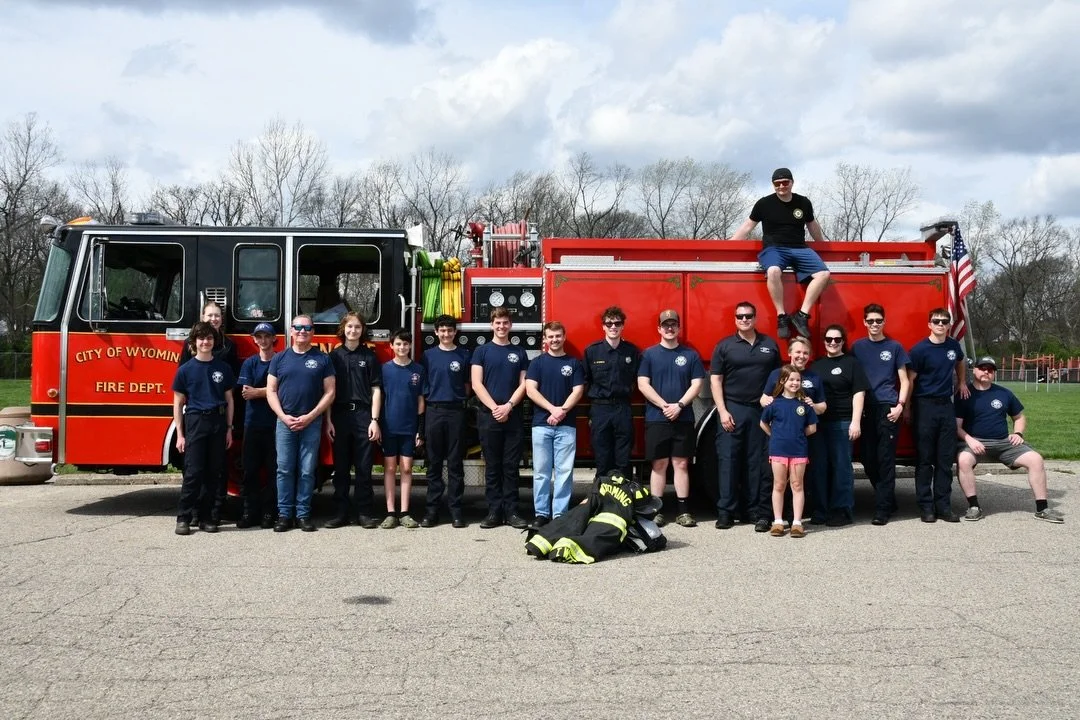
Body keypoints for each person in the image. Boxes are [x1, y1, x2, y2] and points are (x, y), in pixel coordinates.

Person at [955, 356, 1064, 523]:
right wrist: (970, 440)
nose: (986, 372)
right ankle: (974, 506)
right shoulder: (964, 394)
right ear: (974, 370)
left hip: (1004, 443)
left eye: (990, 370)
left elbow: (1019, 417)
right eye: (982, 368)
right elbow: (957, 427)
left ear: (994, 374)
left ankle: (1042, 508)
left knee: (1036, 459)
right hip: (975, 443)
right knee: (963, 460)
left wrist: (1018, 433)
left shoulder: (1004, 393)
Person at [730, 167, 829, 340]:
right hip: (774, 248)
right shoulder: (764, 203)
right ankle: (782, 316)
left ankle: (802, 315)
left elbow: (812, 225)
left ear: (792, 182)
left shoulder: (803, 203)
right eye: (777, 183)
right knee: (773, 271)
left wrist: (823, 245)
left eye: (785, 182)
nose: (781, 186)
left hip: (800, 248)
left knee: (823, 274)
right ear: (773, 185)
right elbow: (748, 226)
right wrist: (728, 246)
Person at [710, 301, 781, 532]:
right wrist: (722, 410)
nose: (744, 320)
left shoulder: (769, 345)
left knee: (756, 464)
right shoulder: (725, 346)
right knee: (728, 461)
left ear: (755, 317)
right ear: (735, 319)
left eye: (748, 316)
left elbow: (779, 378)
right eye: (740, 316)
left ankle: (753, 510)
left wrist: (773, 407)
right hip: (733, 409)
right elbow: (716, 380)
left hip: (760, 412)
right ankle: (726, 512)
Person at [266, 314, 336, 533]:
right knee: (284, 469)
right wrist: (283, 416)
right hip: (284, 422)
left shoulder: (323, 359)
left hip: (311, 423)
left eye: (307, 328)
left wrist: (311, 416)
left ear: (313, 332)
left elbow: (330, 392)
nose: (302, 331)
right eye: (298, 327)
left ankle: (303, 515)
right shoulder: (279, 358)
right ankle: (284, 515)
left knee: (307, 471)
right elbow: (270, 391)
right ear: (291, 331)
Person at [637, 309, 706, 528]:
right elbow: (642, 384)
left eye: (673, 324)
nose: (669, 328)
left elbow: (697, 384)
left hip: (683, 417)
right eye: (665, 325)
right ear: (659, 328)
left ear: (679, 328)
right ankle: (656, 511)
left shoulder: (690, 355)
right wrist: (664, 405)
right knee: (659, 464)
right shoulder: (649, 355)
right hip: (657, 417)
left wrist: (679, 405)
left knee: (681, 463)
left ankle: (683, 511)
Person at [178, 300, 239, 524]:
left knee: (217, 469)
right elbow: (182, 386)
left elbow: (231, 385)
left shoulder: (229, 346)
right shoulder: (188, 347)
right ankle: (192, 513)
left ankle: (214, 512)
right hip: (195, 415)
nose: (214, 318)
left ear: (222, 320)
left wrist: (230, 425)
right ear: (202, 317)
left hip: (219, 413)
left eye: (217, 315)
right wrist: (180, 430)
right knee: (194, 469)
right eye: (210, 315)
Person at [850, 304, 911, 526]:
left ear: (884, 322)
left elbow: (904, 380)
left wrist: (900, 405)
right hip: (865, 408)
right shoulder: (857, 347)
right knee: (867, 458)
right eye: (870, 321)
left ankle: (883, 508)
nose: (874, 324)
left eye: (878, 320)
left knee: (886, 459)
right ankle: (889, 498)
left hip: (887, 408)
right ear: (865, 323)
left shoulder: (894, 347)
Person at [471, 307, 530, 529]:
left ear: (510, 325)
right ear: (491, 325)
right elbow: (477, 383)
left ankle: (513, 512)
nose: (502, 326)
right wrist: (496, 408)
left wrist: (508, 406)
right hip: (488, 416)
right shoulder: (481, 351)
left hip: (512, 416)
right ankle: (494, 512)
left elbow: (524, 383)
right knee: (493, 466)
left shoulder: (519, 352)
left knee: (511, 466)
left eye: (505, 323)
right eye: (498, 323)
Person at [907, 308, 968, 523]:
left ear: (949, 324)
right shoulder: (919, 350)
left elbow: (960, 361)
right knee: (925, 460)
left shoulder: (953, 346)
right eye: (936, 321)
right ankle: (926, 507)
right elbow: (910, 380)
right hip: (924, 406)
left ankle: (943, 506)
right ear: (929, 324)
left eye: (944, 321)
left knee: (944, 460)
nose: (941, 324)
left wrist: (961, 382)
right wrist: (906, 407)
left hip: (946, 406)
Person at [324, 312, 382, 530]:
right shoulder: (333, 357)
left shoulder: (369, 357)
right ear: (343, 329)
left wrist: (374, 420)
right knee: (340, 469)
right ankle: (340, 513)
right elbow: (328, 392)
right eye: (350, 327)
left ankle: (365, 513)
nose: (353, 331)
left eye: (357, 327)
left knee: (364, 468)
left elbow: (376, 390)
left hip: (363, 416)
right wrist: (328, 420)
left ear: (362, 330)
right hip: (339, 416)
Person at [759, 336, 826, 522]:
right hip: (778, 438)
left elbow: (822, 407)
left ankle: (793, 518)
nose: (801, 356)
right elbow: (763, 399)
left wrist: (814, 406)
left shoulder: (814, 378)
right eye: (797, 352)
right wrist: (769, 404)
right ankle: (767, 517)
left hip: (800, 440)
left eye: (805, 353)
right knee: (772, 479)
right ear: (789, 353)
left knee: (798, 482)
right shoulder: (776, 374)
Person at [526, 321, 586, 525]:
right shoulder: (537, 363)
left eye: (558, 336)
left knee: (564, 472)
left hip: (566, 425)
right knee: (541, 473)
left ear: (564, 336)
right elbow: (530, 390)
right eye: (550, 336)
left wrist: (562, 411)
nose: (554, 340)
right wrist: (553, 409)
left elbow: (578, 391)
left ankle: (559, 514)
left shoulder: (574, 363)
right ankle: (541, 514)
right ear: (545, 339)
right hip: (542, 425)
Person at [809, 325, 869, 526]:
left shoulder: (852, 363)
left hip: (842, 423)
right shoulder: (816, 365)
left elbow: (859, 393)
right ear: (824, 341)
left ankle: (842, 510)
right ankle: (820, 510)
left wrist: (855, 422)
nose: (832, 343)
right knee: (819, 468)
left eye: (837, 339)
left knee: (841, 468)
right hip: (819, 424)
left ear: (843, 341)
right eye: (828, 339)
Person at [420, 314, 471, 529]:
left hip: (456, 413)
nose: (446, 334)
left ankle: (456, 511)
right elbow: (422, 388)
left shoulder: (464, 355)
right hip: (434, 411)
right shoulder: (428, 356)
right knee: (433, 464)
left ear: (455, 332)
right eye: (442, 330)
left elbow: (468, 385)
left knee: (455, 464)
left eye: (450, 330)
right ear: (436, 333)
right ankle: (432, 511)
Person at [760, 365, 818, 538]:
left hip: (799, 451)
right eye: (791, 379)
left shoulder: (804, 405)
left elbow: (813, 428)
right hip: (778, 450)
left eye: (798, 380)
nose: (795, 383)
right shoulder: (774, 403)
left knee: (797, 485)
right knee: (779, 485)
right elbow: (763, 423)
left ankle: (797, 523)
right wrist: (775, 436)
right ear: (783, 381)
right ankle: (778, 522)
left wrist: (798, 435)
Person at [583, 306, 640, 479]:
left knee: (623, 459)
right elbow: (585, 381)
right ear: (603, 326)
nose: (613, 327)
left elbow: (637, 380)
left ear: (623, 326)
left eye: (617, 323)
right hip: (600, 409)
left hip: (623, 408)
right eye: (609, 323)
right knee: (602, 457)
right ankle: (602, 499)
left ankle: (622, 501)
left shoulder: (632, 351)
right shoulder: (592, 351)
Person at [378, 329, 426, 529]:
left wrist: (420, 429)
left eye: (405, 344)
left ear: (410, 346)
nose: (402, 347)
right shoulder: (384, 369)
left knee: (406, 468)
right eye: (398, 344)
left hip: (409, 427)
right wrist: (377, 423)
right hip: (389, 426)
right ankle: (390, 512)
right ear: (391, 346)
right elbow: (378, 398)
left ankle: (405, 512)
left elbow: (421, 401)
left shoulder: (418, 370)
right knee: (389, 468)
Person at [235, 322, 278, 529]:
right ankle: (249, 512)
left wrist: (259, 392)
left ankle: (270, 512)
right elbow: (246, 393)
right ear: (254, 339)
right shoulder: (249, 363)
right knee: (249, 472)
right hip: (252, 425)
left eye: (266, 336)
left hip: (275, 425)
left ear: (273, 339)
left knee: (273, 472)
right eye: (259, 337)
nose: (263, 340)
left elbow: (280, 392)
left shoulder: (280, 361)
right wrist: (269, 391)